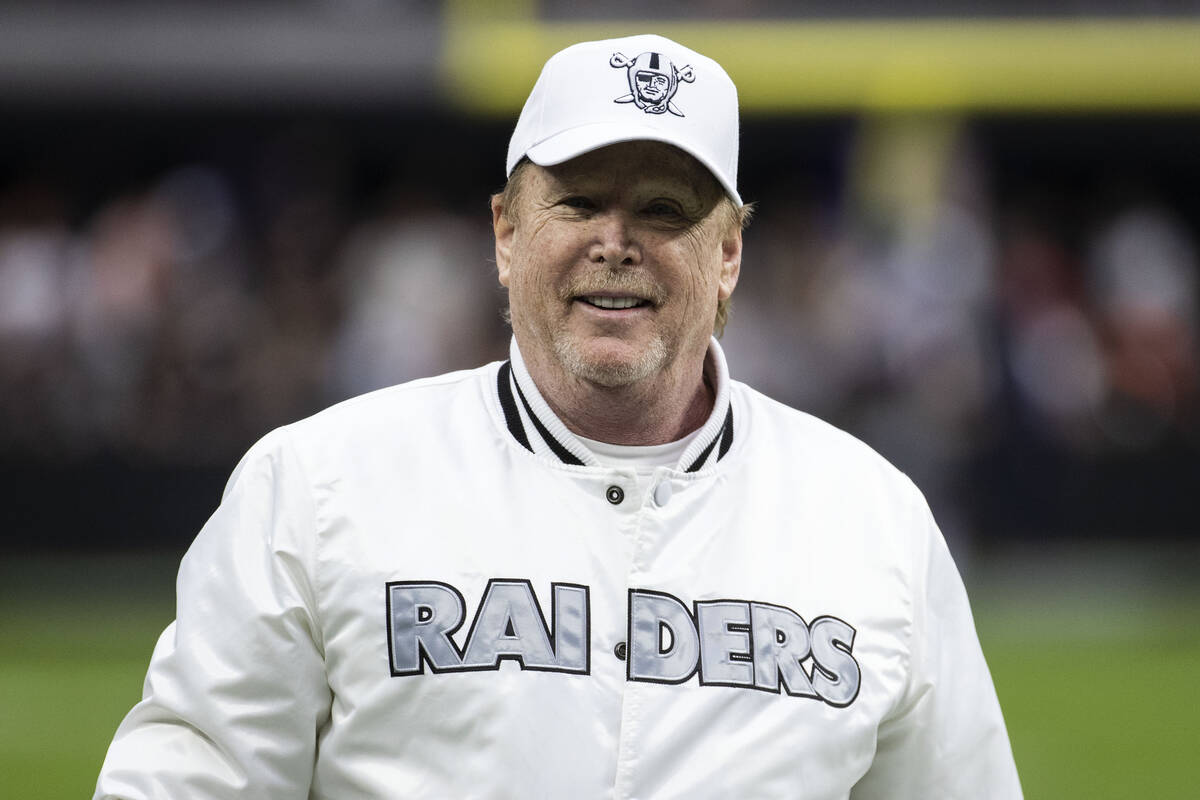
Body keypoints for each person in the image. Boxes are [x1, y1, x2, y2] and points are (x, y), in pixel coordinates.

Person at [95, 34, 1022, 799]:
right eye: (578, 202)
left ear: (730, 253)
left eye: (664, 210)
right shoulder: (318, 486)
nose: (614, 244)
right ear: (505, 233)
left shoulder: (871, 519)